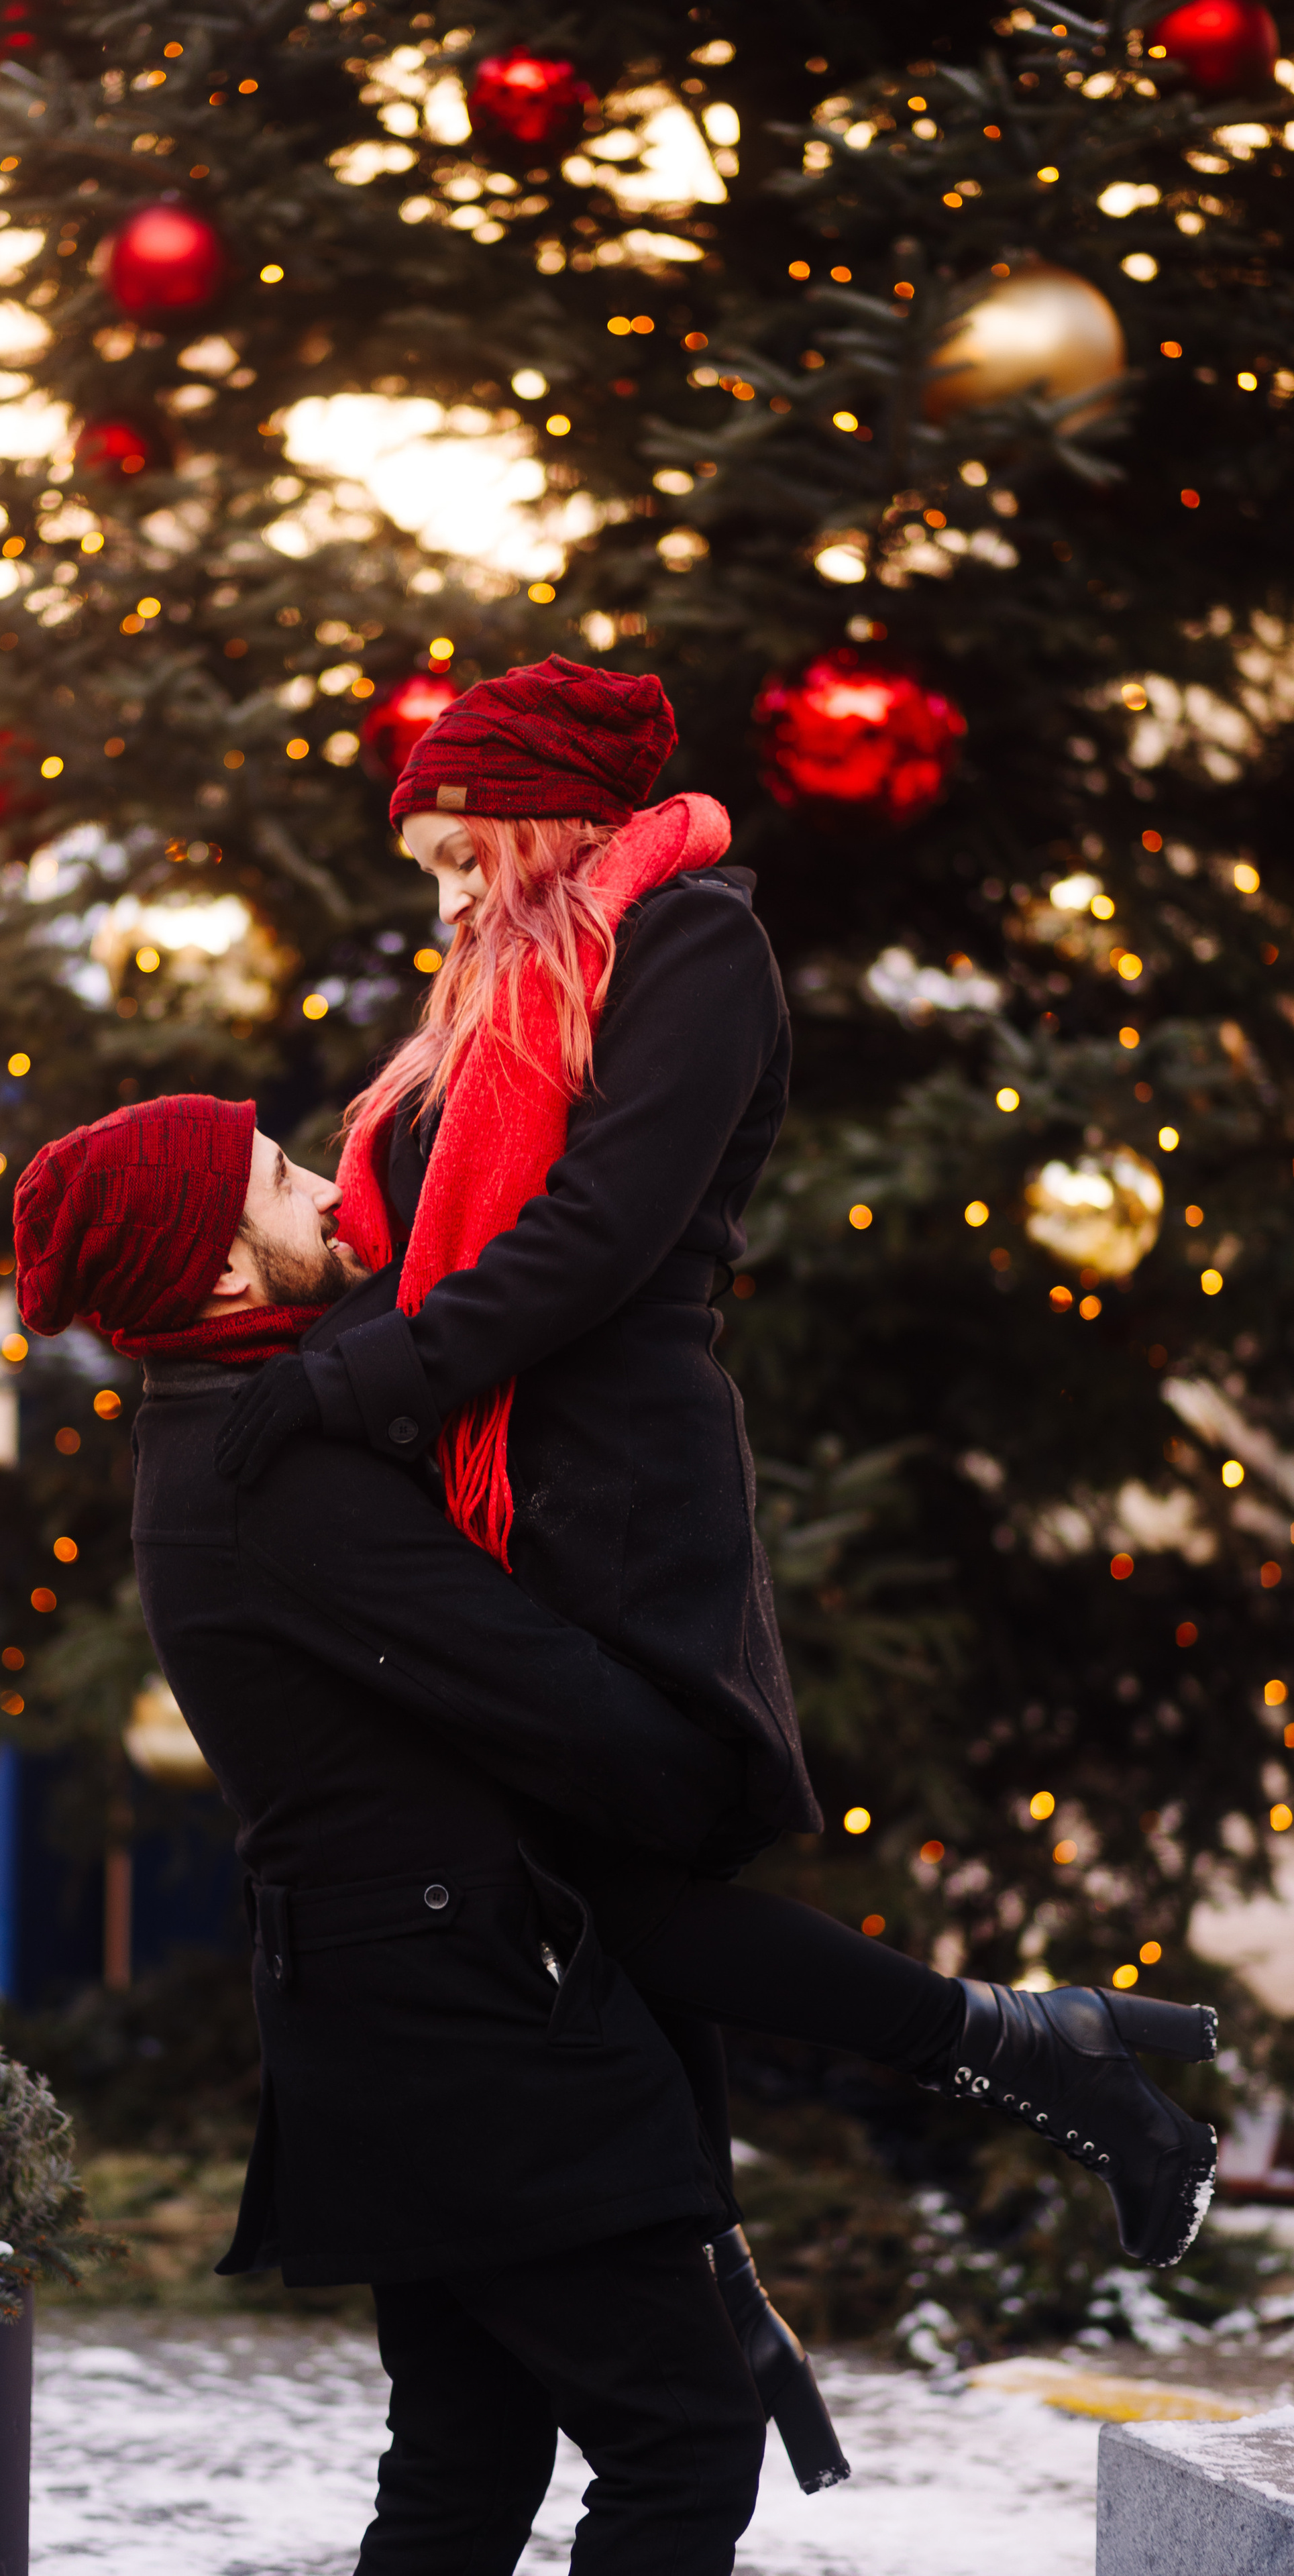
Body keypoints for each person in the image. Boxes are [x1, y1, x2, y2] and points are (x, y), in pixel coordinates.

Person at [215, 655, 1220, 2275]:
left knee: (624, 1894)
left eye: (463, 846)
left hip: (613, 1500)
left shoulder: (690, 946)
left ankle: (1023, 2070)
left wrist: (356, 1382)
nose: (449, 886)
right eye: (431, 865)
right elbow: (405, 1226)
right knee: (601, 1910)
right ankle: (758, 2259)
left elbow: (598, 1236)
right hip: (489, 1498)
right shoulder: (489, 996)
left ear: (543, 815)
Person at [16, 1092, 774, 2574]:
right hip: (461, 2024)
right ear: (225, 1275)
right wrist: (704, 1778)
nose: (331, 1194)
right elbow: (545, 1696)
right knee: (682, 2440)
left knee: (462, 2456)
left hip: (388, 2012)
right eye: (285, 1180)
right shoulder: (273, 1468)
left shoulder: (239, 1428)